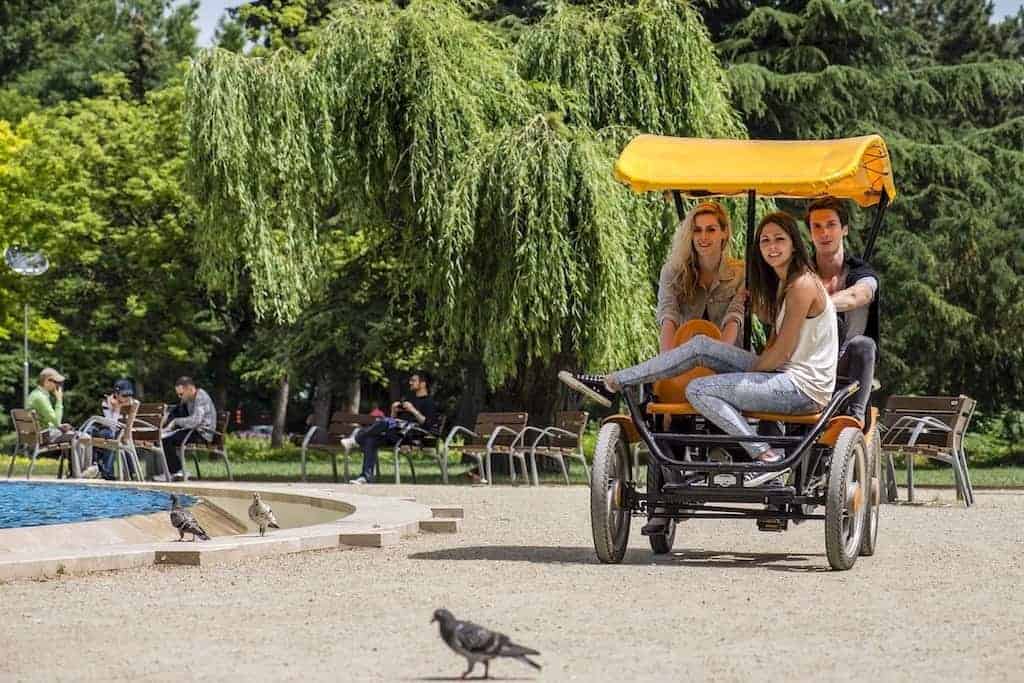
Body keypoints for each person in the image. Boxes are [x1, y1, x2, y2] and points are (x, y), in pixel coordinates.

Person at [560, 211, 838, 485]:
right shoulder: (785, 283)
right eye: (765, 241)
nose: (772, 247)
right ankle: (612, 382)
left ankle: (765, 455)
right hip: (784, 376)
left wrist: (744, 369)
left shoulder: (802, 284)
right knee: (701, 346)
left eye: (779, 239)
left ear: (794, 243)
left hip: (801, 389)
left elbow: (782, 352)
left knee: (699, 388)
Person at [806, 197, 879, 424]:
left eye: (831, 225)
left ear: (844, 229)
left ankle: (853, 418)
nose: (824, 233)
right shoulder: (801, 273)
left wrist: (819, 305)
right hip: (807, 363)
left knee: (864, 345)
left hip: (845, 362)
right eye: (816, 226)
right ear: (810, 233)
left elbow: (861, 294)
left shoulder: (861, 271)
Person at [657, 201, 746, 351]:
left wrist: (717, 359)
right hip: (685, 355)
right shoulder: (673, 272)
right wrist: (668, 362)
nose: (703, 236)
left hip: (730, 358)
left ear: (724, 233)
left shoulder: (741, 273)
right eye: (697, 230)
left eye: (711, 230)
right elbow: (668, 315)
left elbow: (734, 317)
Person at [343, 372, 439, 485]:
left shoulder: (429, 402)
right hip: (397, 434)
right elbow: (394, 420)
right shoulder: (409, 398)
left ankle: (356, 438)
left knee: (383, 422)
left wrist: (413, 410)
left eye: (413, 380)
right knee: (371, 440)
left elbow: (428, 425)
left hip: (411, 437)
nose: (410, 382)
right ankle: (365, 477)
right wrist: (393, 410)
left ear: (423, 384)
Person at [26, 367, 92, 477]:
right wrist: (59, 400)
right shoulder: (40, 398)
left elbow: (51, 421)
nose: (58, 386)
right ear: (47, 381)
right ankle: (82, 472)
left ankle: (77, 472)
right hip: (44, 436)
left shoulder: (35, 395)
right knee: (83, 437)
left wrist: (59, 426)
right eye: (56, 382)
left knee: (73, 435)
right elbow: (57, 420)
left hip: (40, 434)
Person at [159, 376, 216, 481]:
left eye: (181, 394)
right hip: (194, 431)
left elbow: (196, 421)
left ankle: (177, 471)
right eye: (178, 394)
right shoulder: (189, 398)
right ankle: (171, 471)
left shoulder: (200, 396)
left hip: (202, 433)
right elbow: (177, 412)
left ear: (190, 388)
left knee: (166, 440)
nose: (180, 397)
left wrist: (176, 422)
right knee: (162, 438)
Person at [87, 379, 138, 480]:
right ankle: (99, 467)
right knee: (104, 433)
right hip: (112, 432)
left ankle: (105, 470)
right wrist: (115, 408)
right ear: (116, 394)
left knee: (110, 435)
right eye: (124, 395)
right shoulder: (107, 402)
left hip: (126, 433)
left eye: (129, 395)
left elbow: (113, 426)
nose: (127, 398)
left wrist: (117, 408)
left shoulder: (133, 404)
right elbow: (110, 424)